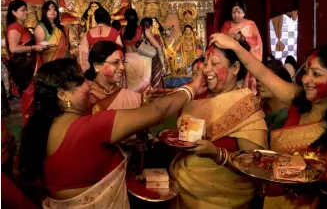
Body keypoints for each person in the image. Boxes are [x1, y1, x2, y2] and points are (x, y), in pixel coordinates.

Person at [18, 58, 206, 208]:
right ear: (63, 95)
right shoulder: (90, 127)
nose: (89, 84)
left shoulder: (43, 126)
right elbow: (159, 111)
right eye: (82, 81)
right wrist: (193, 87)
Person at [209, 33, 327, 209]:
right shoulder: (298, 100)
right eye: (306, 72)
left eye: (316, 74)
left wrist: (323, 179)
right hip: (274, 201)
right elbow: (261, 72)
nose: (306, 80)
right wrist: (236, 47)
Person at [170, 45, 268, 209]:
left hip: (225, 200)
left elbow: (255, 167)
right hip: (182, 189)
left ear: (235, 68)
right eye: (206, 62)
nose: (206, 69)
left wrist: (217, 154)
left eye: (214, 63)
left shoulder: (246, 106)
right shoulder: (195, 99)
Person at [84, 41, 142, 114]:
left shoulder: (131, 97)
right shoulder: (84, 97)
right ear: (96, 66)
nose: (122, 67)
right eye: (116, 62)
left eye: (123, 62)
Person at [5, 0, 46, 94]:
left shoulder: (22, 27)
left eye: (26, 9)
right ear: (14, 12)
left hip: (30, 65)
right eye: (23, 10)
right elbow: (13, 48)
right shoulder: (14, 27)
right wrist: (34, 47)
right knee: (30, 94)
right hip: (24, 68)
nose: (26, 12)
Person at [221, 1, 263, 93]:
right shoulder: (227, 24)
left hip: (245, 58)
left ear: (244, 13)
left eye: (239, 12)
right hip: (231, 58)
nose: (236, 15)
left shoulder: (250, 24)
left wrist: (241, 38)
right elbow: (221, 41)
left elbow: (255, 44)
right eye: (234, 12)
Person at [121, 8, 162, 93]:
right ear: (136, 18)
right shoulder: (142, 30)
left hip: (128, 61)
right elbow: (157, 46)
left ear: (126, 18)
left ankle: (133, 104)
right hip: (143, 60)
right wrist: (162, 63)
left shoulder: (122, 31)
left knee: (131, 87)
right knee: (144, 88)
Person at [79, 7, 122, 72]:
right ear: (107, 18)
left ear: (95, 18)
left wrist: (86, 70)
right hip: (111, 67)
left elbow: (83, 54)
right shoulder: (114, 32)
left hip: (95, 67)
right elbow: (120, 49)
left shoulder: (88, 33)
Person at [257, 64, 292, 139]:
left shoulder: (286, 117)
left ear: (281, 83)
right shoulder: (260, 110)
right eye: (258, 79)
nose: (259, 83)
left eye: (265, 80)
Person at [141, 17, 167, 89]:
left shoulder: (137, 35)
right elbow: (159, 49)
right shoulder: (154, 36)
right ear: (151, 26)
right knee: (156, 83)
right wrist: (163, 65)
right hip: (155, 61)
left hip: (141, 62)